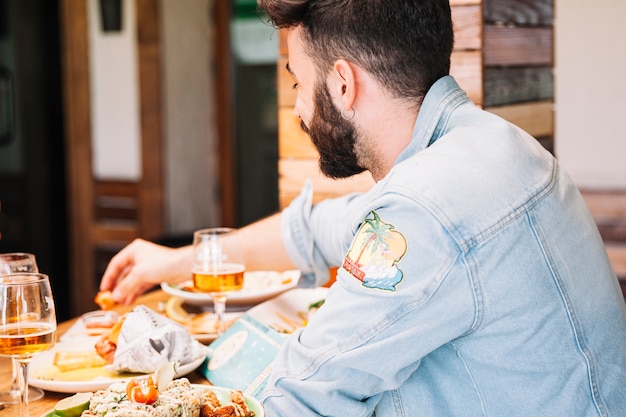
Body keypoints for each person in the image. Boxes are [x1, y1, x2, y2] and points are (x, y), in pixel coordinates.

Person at [101, 0, 626, 415]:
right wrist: (172, 262)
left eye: (297, 83)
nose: (300, 109)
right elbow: (319, 228)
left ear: (343, 84)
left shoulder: (425, 206)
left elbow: (302, 393)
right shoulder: (492, 146)